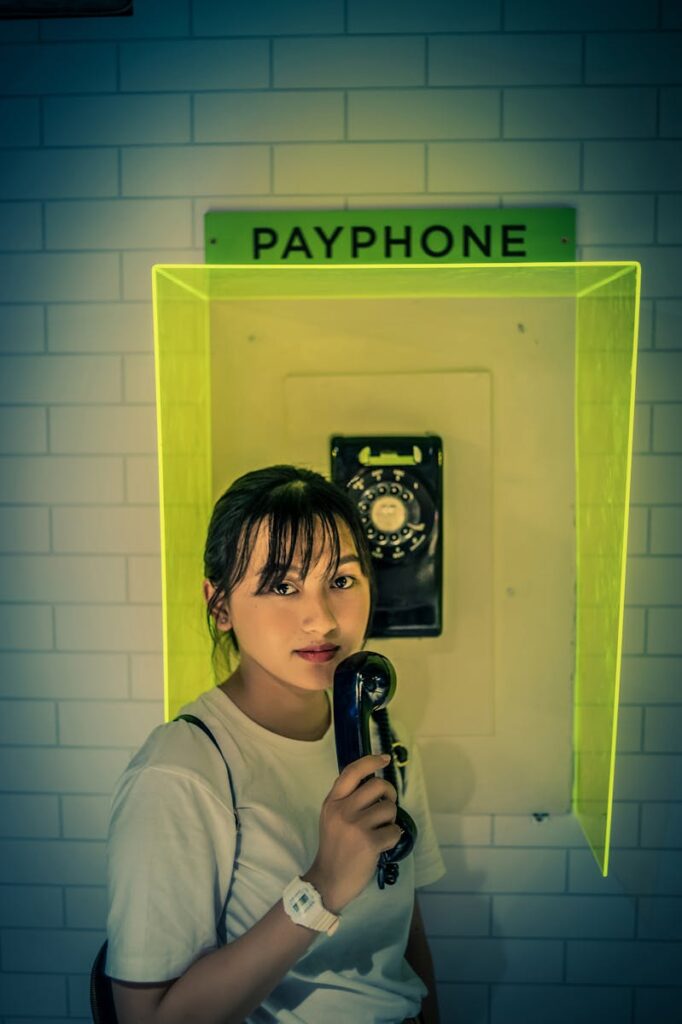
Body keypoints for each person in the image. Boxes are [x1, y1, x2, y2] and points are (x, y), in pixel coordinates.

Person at [105, 464, 446, 1024]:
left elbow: (405, 933)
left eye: (342, 581)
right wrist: (323, 886)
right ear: (220, 605)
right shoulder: (181, 773)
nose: (322, 619)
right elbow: (147, 1017)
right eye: (282, 587)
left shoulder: (386, 737)